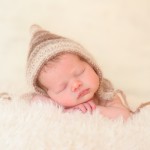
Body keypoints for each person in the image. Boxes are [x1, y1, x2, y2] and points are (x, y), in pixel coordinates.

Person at [25, 24, 132, 120]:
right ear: (48, 94)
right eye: (62, 87)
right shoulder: (51, 100)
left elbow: (123, 115)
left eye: (80, 72)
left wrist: (93, 111)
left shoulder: (104, 92)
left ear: (92, 65)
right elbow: (36, 102)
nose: (76, 85)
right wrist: (67, 111)